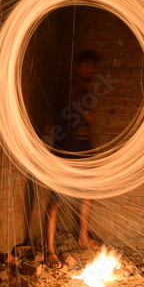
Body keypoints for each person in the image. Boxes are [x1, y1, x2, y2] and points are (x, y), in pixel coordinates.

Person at [45, 50, 102, 268]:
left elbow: (85, 125)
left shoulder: (83, 91)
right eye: (86, 65)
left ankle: (83, 237)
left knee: (88, 196)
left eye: (92, 67)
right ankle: (50, 250)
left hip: (83, 156)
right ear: (78, 67)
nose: (90, 70)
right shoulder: (70, 89)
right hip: (65, 156)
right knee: (56, 203)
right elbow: (65, 116)